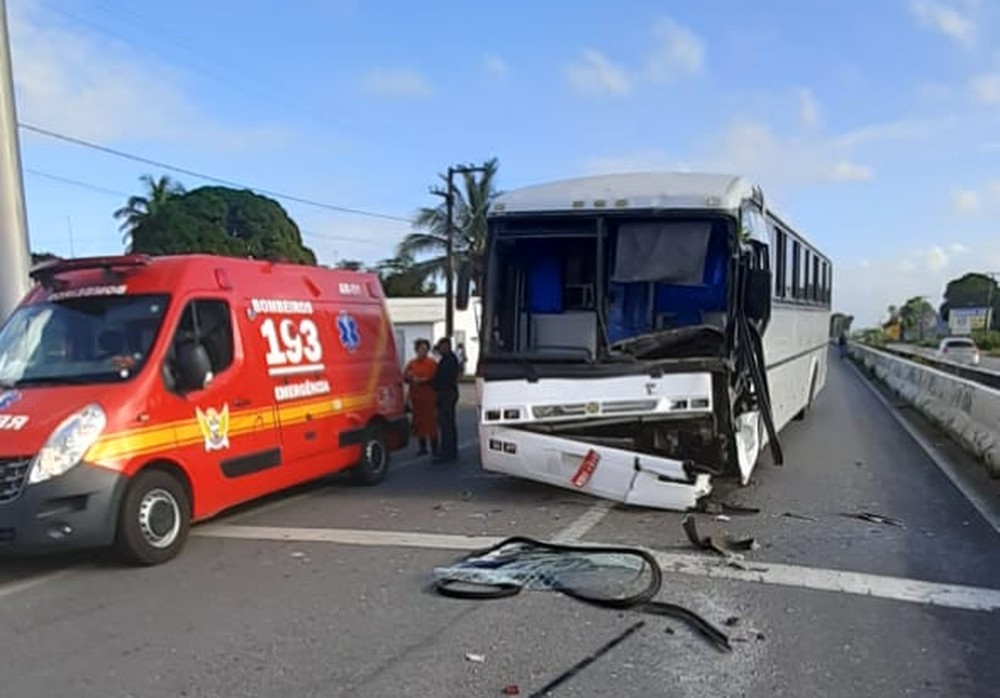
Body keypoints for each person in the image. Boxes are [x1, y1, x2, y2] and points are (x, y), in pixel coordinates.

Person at [404, 339, 439, 456]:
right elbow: (405, 377)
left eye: (425, 349)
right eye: (420, 349)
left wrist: (423, 380)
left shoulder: (432, 363)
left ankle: (435, 448)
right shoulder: (412, 363)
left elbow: (435, 378)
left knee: (431, 423)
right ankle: (422, 447)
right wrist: (410, 377)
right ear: (416, 350)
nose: (422, 352)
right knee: (418, 423)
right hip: (416, 398)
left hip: (429, 397)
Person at [431, 337, 460, 462]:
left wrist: (431, 383)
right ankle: (450, 451)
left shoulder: (449, 360)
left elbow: (443, 378)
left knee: (446, 424)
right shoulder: (446, 359)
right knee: (447, 424)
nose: (440, 350)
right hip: (446, 393)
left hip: (447, 394)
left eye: (442, 347)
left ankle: (447, 452)